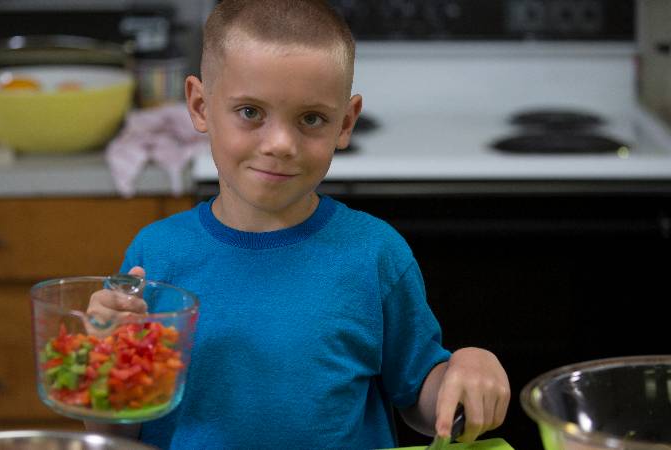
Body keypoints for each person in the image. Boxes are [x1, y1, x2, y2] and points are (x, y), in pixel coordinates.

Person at [85, 0, 510, 448]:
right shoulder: (155, 256)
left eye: (311, 119)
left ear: (345, 123)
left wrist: (467, 367)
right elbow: (115, 432)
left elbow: (420, 401)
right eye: (250, 112)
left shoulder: (375, 254)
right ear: (200, 105)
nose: (281, 144)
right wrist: (104, 358)